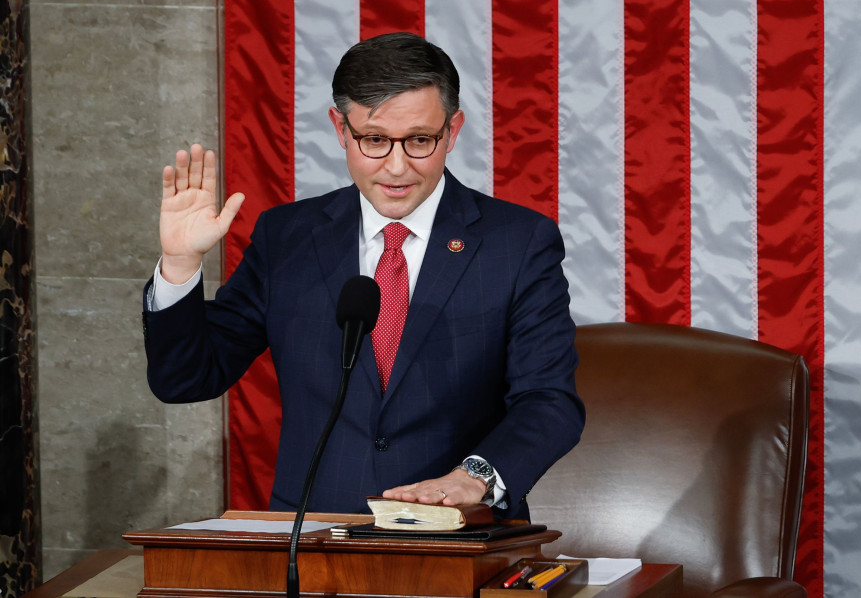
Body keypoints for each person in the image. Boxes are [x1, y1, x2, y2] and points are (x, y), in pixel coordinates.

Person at [143, 32, 584, 519]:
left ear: (453, 131)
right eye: (374, 140)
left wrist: (471, 478)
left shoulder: (518, 243)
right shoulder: (287, 237)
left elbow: (548, 401)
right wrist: (181, 264)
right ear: (340, 128)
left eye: (420, 140)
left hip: (459, 536)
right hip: (313, 540)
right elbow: (185, 379)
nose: (397, 167)